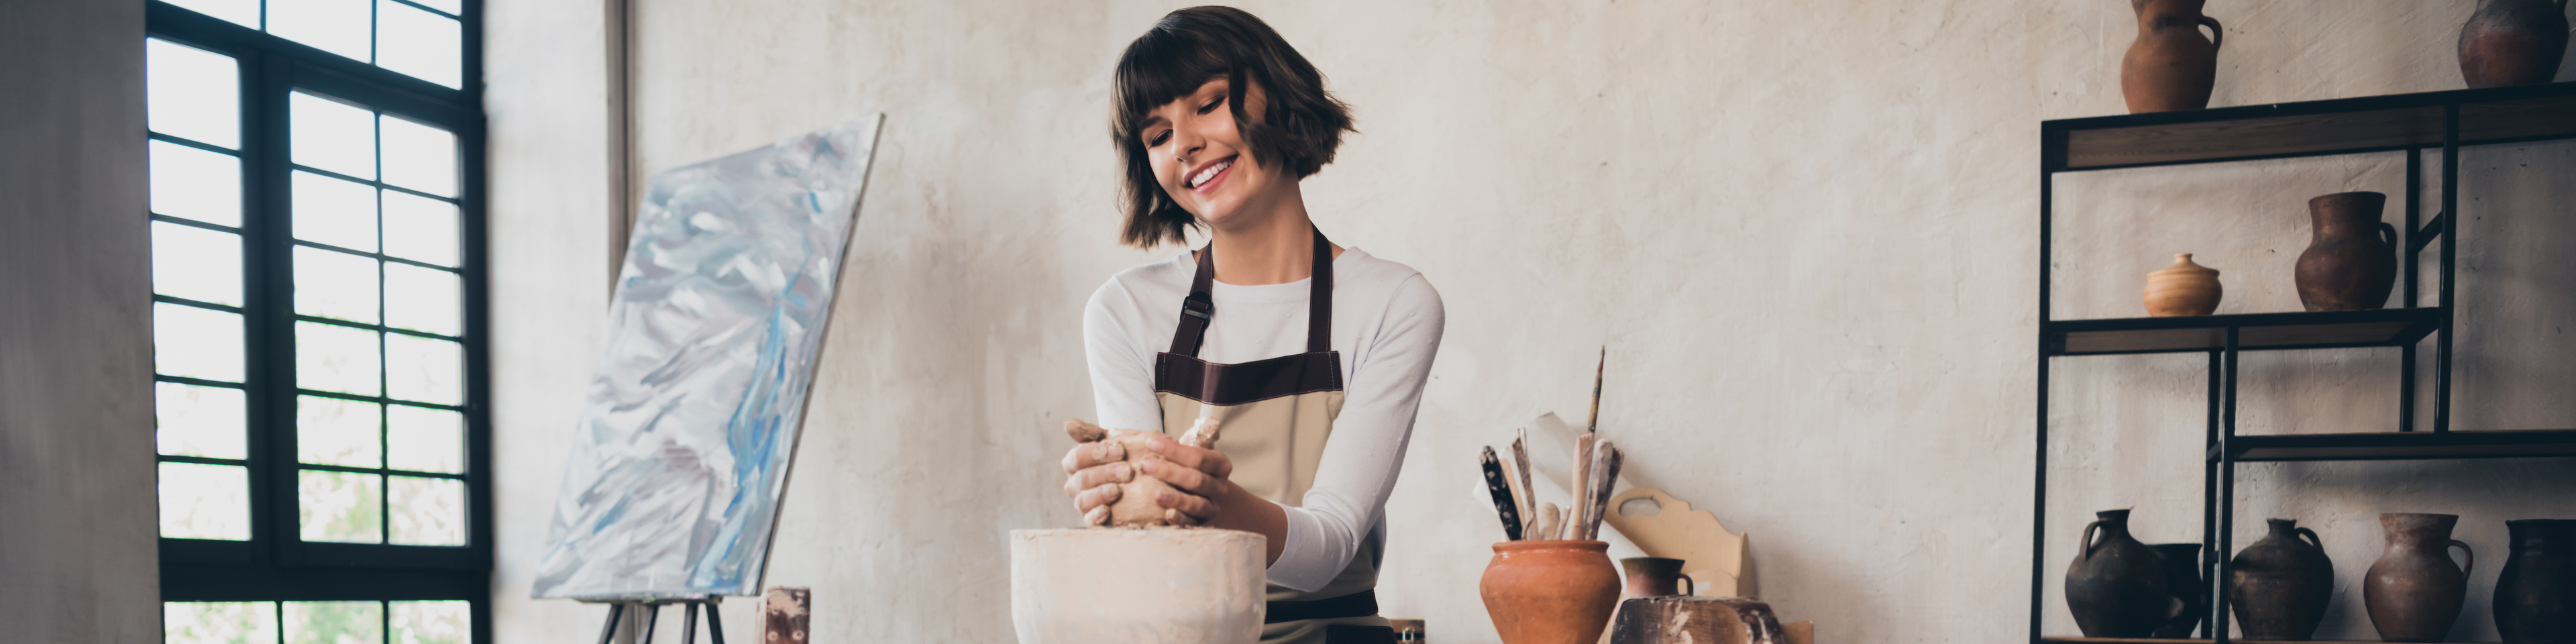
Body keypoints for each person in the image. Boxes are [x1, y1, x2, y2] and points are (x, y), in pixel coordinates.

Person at [1057, 7, 1446, 644]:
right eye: (1156, 136)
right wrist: (1115, 502)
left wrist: (1206, 501)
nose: (1183, 144)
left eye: (1208, 103)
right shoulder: (1124, 311)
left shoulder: (1393, 302)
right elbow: (1146, 542)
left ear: (1279, 95)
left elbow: (1328, 551)